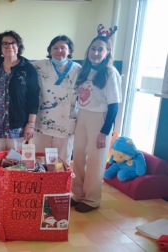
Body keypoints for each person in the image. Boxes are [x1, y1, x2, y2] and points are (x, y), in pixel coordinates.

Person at [71, 27, 121, 213]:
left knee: (95, 159)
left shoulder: (110, 72)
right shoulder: (84, 71)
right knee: (77, 156)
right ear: (88, 50)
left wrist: (104, 132)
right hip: (82, 115)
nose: (96, 52)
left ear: (107, 52)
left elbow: (114, 105)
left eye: (101, 49)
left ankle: (92, 199)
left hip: (99, 119)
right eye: (93, 48)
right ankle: (77, 194)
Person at [0, 30, 40, 166]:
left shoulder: (28, 69)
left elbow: (34, 98)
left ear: (18, 45)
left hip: (17, 127)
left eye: (13, 43)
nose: (9, 46)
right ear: (0, 48)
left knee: (15, 166)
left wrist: (30, 124)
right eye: (5, 44)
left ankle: (11, 188)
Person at [32, 35, 82, 165]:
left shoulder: (78, 69)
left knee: (61, 161)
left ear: (69, 51)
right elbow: (17, 63)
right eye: (55, 48)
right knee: (40, 158)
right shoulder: (39, 65)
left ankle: (59, 184)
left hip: (65, 123)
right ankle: (42, 183)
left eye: (63, 48)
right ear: (50, 51)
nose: (59, 51)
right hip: (43, 121)